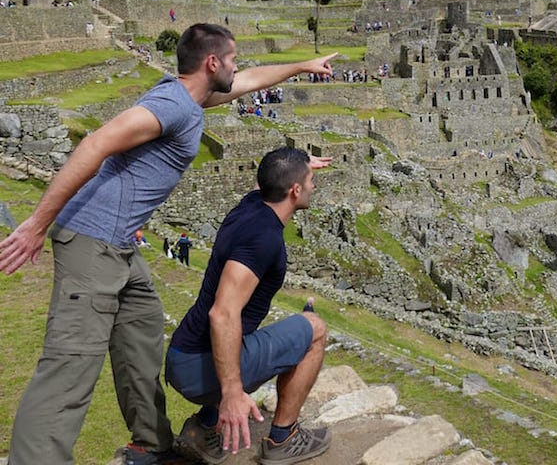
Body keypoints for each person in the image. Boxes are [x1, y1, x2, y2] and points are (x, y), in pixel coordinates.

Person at [0, 23, 337, 465]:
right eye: (232, 59)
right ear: (212, 63)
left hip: (120, 245)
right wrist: (36, 225)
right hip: (91, 240)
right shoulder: (171, 104)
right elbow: (98, 142)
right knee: (70, 369)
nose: (238, 68)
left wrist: (302, 66)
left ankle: (152, 445)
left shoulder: (193, 100)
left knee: (140, 341)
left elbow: (251, 81)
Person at [165, 147, 331, 464]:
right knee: (315, 330)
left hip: (182, 354)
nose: (313, 185)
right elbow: (223, 313)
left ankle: (204, 427)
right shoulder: (263, 238)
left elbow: (266, 178)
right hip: (197, 369)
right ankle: (284, 439)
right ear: (295, 190)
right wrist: (231, 394)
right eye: (310, 179)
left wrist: (298, 162)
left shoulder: (250, 205)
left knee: (246, 337)